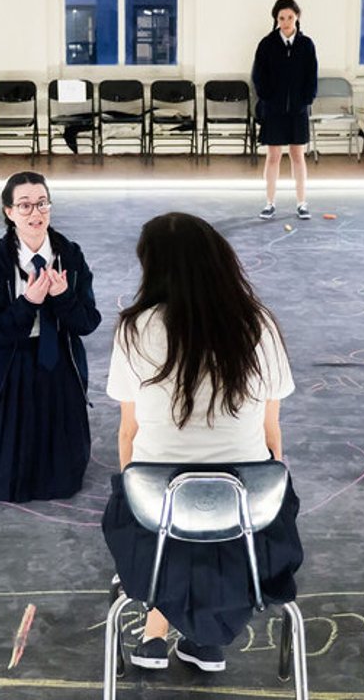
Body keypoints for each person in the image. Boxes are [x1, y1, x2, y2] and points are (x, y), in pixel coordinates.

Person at [102, 212, 302, 673]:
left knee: (166, 523)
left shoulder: (135, 328)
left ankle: (157, 633)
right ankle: (204, 639)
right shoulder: (258, 325)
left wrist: (134, 493)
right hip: (248, 506)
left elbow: (129, 433)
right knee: (215, 523)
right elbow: (272, 434)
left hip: (157, 502)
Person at [0, 171, 101, 502]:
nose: (35, 213)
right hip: (12, 364)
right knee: (1, 477)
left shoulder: (70, 255)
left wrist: (64, 297)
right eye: (24, 205)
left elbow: (87, 322)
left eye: (42, 203)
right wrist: (27, 304)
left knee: (62, 476)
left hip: (59, 362)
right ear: (9, 212)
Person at [252, 0, 318, 221]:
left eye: (290, 17)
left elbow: (312, 76)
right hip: (274, 110)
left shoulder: (306, 45)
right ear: (276, 19)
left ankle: (301, 203)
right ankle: (269, 203)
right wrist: (268, 98)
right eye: (282, 18)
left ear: (297, 17)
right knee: (273, 156)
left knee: (298, 155)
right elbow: (258, 76)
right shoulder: (267, 44)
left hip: (298, 110)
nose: (286, 22)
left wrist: (306, 100)